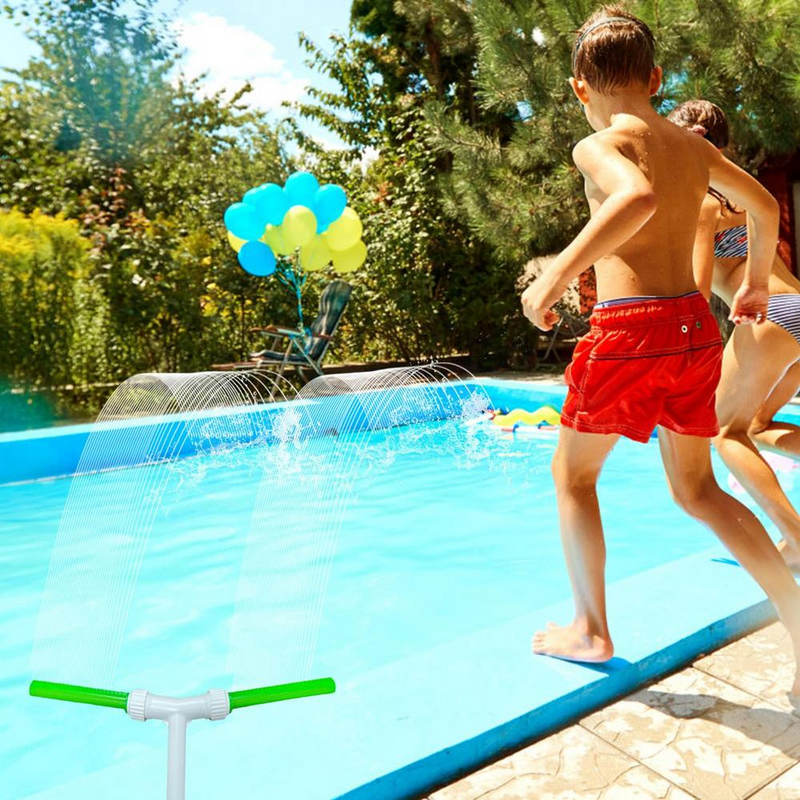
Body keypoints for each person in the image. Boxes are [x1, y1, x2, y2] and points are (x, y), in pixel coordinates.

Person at [521, 6, 800, 692]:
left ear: (579, 87)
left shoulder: (600, 146)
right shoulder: (695, 148)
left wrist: (551, 280)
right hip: (692, 331)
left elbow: (634, 198)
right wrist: (757, 283)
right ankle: (795, 615)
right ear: (656, 76)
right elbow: (763, 209)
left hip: (630, 332)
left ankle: (589, 629)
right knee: (699, 490)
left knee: (573, 478)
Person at [668, 100, 800, 569]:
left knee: (725, 433)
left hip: (774, 319)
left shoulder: (702, 201)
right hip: (797, 308)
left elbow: (698, 290)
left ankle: (797, 541)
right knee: (758, 426)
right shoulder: (743, 191)